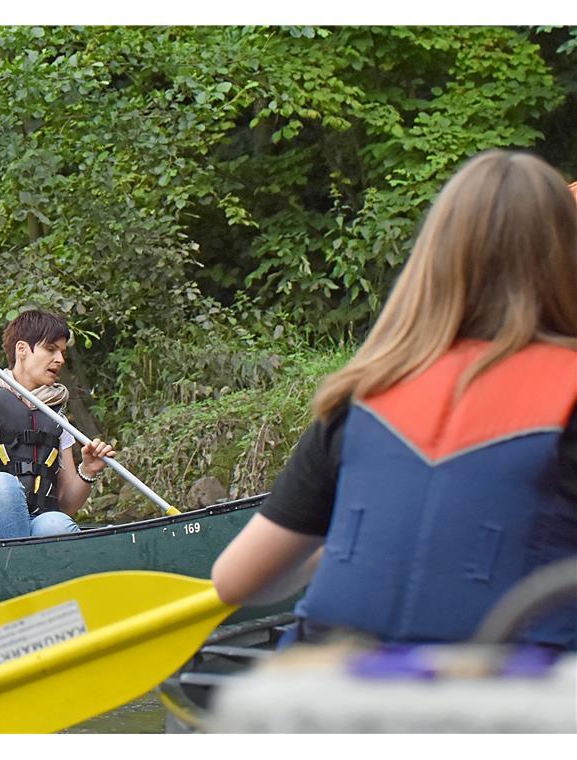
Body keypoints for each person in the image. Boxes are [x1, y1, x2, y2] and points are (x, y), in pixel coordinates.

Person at [211, 150, 577, 650]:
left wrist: (349, 548)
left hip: (332, 685)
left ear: (434, 257)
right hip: (505, 689)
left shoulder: (363, 392)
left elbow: (235, 582)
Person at [0, 309, 116, 542]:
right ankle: (19, 562)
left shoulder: (56, 417)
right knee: (2, 485)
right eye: (51, 349)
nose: (60, 359)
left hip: (33, 523)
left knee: (58, 524)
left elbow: (66, 506)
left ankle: (24, 560)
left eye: (62, 352)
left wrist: (88, 470)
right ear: (22, 349)